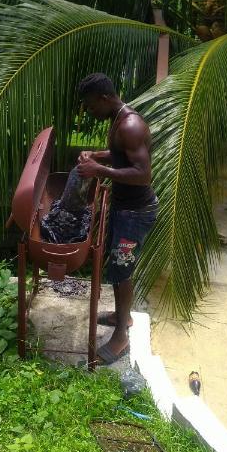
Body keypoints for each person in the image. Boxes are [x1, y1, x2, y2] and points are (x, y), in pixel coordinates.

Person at [76, 73, 158, 364]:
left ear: (105, 98)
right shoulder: (118, 120)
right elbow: (120, 155)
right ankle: (121, 316)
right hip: (125, 208)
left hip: (136, 212)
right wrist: (96, 155)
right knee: (118, 267)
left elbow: (143, 174)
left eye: (90, 105)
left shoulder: (131, 125)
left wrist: (100, 170)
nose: (89, 111)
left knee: (122, 271)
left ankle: (122, 335)